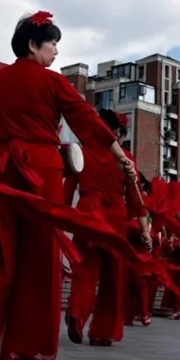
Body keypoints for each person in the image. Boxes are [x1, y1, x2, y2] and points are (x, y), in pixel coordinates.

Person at [0, 11, 147, 360]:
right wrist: (118, 153)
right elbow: (85, 119)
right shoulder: (52, 82)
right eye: (53, 44)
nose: (57, 51)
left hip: (1, 168)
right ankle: (24, 345)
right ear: (33, 45)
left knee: (0, 255)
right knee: (38, 258)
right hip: (41, 167)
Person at [65, 109, 150, 347]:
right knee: (114, 277)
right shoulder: (125, 159)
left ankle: (76, 313)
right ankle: (103, 331)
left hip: (86, 212)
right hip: (115, 216)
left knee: (85, 269)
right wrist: (144, 231)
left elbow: (67, 189)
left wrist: (60, 218)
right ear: (116, 133)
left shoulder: (81, 152)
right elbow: (136, 198)